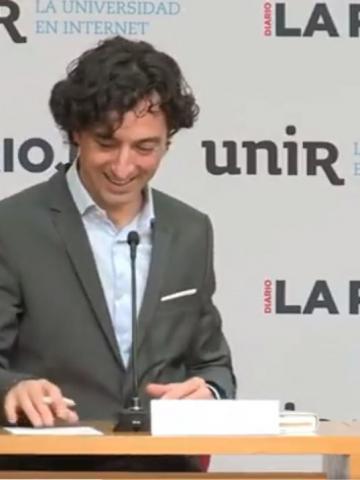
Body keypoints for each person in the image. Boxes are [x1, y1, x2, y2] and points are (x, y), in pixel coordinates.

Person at [0, 36, 235, 471]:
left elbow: (213, 364)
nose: (124, 167)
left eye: (145, 148)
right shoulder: (11, 227)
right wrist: (12, 390)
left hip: (164, 467)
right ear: (76, 133)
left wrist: (210, 392)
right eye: (107, 143)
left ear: (168, 142)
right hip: (45, 468)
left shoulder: (191, 230)